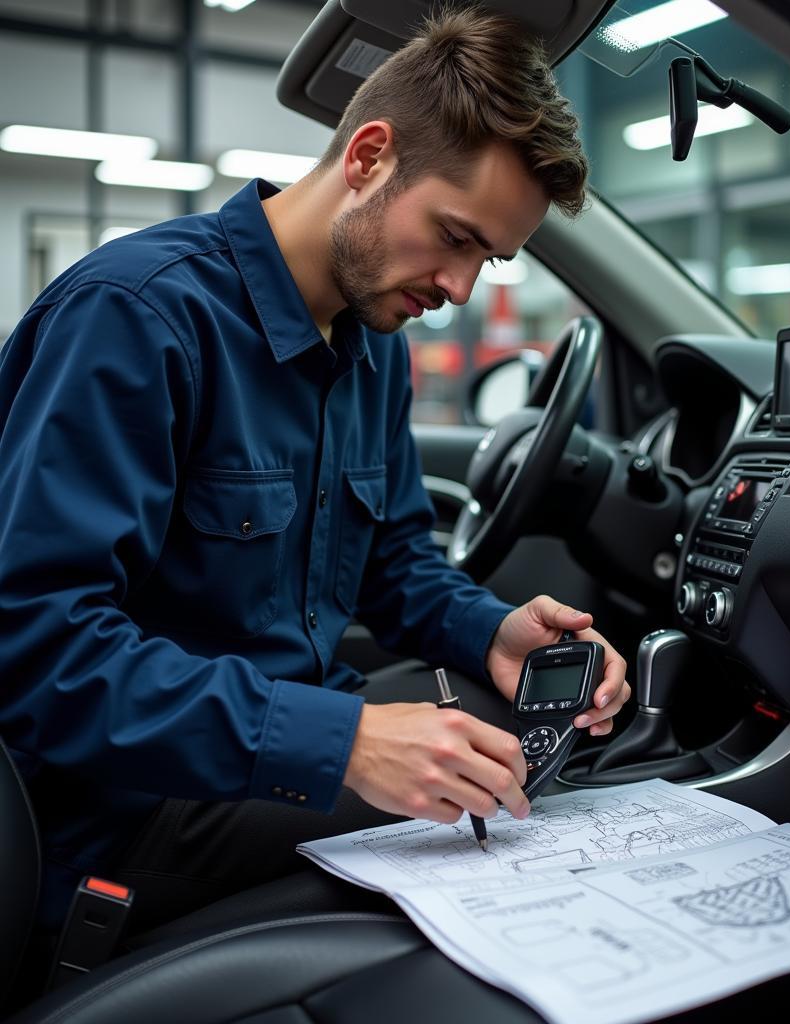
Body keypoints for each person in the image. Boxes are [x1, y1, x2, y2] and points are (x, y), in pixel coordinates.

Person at [0, 6, 630, 944]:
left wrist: (493, 630)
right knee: (521, 840)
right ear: (369, 155)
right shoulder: (138, 320)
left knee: (548, 746)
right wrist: (346, 744)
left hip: (274, 746)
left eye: (487, 260)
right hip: (133, 808)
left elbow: (392, 562)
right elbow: (37, 648)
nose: (460, 290)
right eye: (454, 237)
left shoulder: (375, 342)